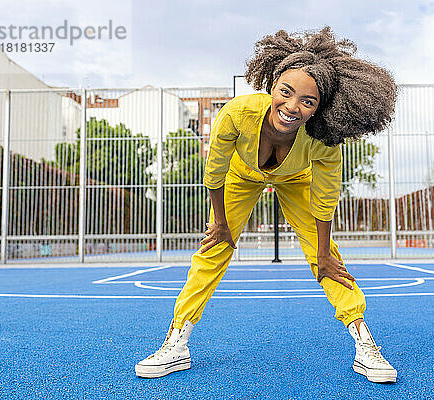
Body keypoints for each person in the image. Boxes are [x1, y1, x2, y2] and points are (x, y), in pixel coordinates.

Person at [135, 26, 398, 383]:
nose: (292, 107)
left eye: (308, 101)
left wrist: (321, 253)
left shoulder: (323, 139)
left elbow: (325, 200)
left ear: (319, 108)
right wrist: (223, 224)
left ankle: (365, 344)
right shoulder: (237, 114)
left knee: (329, 259)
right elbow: (215, 172)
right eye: (286, 92)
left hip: (294, 179)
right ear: (272, 86)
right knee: (213, 249)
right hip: (241, 177)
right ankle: (175, 343)